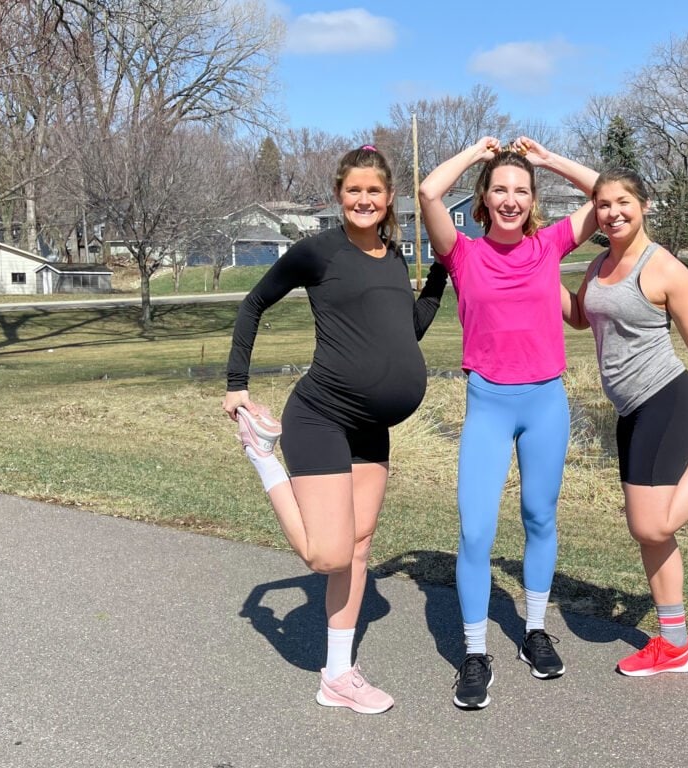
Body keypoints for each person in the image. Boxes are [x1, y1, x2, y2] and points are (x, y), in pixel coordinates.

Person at [222, 145, 448, 714]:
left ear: (388, 196)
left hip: (372, 426)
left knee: (359, 549)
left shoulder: (396, 256)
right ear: (339, 195)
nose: (365, 200)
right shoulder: (317, 252)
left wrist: (442, 271)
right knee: (327, 557)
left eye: (374, 191)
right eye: (354, 191)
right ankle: (262, 456)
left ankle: (338, 675)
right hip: (322, 415)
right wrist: (236, 382)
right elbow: (254, 304)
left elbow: (406, 330)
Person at [560, 168, 688, 677]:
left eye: (624, 201)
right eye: (604, 204)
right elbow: (581, 317)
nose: (613, 212)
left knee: (651, 522)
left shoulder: (665, 270)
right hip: (630, 409)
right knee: (651, 536)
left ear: (645, 204)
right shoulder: (598, 266)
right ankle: (674, 644)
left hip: (669, 400)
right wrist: (538, 269)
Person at [418, 136, 598, 709]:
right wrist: (477, 154)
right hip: (489, 404)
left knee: (540, 518)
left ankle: (535, 630)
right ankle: (474, 654)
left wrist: (546, 160)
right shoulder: (463, 254)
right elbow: (426, 191)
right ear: (484, 197)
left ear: (533, 199)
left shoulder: (550, 247)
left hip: (546, 402)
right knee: (475, 530)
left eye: (521, 190)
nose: (512, 199)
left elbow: (608, 194)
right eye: (501, 188)